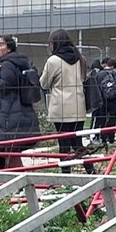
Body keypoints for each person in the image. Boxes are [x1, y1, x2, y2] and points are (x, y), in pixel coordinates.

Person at [41, 29, 94, 171]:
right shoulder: (80, 58)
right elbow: (83, 79)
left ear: (54, 44)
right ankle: (91, 170)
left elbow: (44, 83)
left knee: (63, 143)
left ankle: (66, 174)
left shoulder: (53, 61)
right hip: (78, 105)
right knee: (77, 142)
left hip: (61, 107)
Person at [0, 35, 41, 168]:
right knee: (13, 151)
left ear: (9, 48)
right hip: (18, 110)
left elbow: (2, 87)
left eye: (1, 45)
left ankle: (16, 182)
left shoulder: (6, 65)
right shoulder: (19, 62)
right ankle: (19, 182)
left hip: (7, 113)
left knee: (9, 150)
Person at [89, 57, 116, 144]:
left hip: (102, 100)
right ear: (114, 66)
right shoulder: (115, 73)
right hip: (113, 100)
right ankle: (111, 138)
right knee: (111, 119)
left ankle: (100, 138)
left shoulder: (99, 74)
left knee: (101, 119)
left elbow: (96, 87)